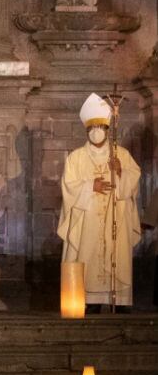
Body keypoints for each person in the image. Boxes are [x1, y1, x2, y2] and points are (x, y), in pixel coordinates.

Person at [58, 93, 140, 313]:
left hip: (116, 221)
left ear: (106, 129)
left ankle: (119, 304)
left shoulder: (121, 154)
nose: (96, 131)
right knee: (87, 262)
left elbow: (134, 183)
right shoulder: (75, 158)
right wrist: (89, 187)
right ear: (86, 130)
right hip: (87, 225)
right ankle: (88, 303)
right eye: (91, 127)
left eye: (100, 127)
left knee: (116, 259)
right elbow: (68, 187)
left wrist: (121, 172)